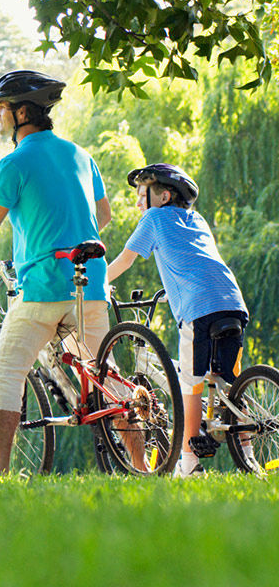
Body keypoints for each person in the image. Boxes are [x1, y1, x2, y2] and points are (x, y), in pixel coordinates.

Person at [0, 70, 116, 475]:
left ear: (21, 113)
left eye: (0, 108)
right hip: (90, 284)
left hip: (42, 287)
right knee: (104, 375)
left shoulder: (14, 163)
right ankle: (139, 462)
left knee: (6, 370)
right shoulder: (81, 155)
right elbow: (102, 216)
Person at [106, 163, 249, 477]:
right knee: (230, 382)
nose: (138, 202)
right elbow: (197, 260)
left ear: (164, 196)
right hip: (232, 302)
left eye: (142, 195)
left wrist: (98, 284)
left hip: (197, 308)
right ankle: (249, 457)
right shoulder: (196, 219)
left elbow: (126, 259)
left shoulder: (154, 218)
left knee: (190, 384)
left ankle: (189, 463)